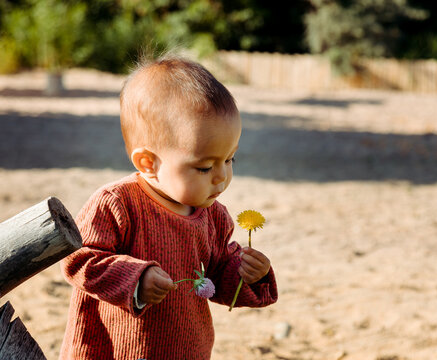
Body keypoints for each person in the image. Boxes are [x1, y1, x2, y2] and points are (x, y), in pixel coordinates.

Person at [60, 54, 278, 360]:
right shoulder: (117, 204)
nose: (222, 177)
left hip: (187, 349)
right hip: (115, 350)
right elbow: (79, 259)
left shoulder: (214, 216)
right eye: (204, 168)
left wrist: (247, 275)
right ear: (148, 163)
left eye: (229, 159)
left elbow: (214, 278)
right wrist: (135, 279)